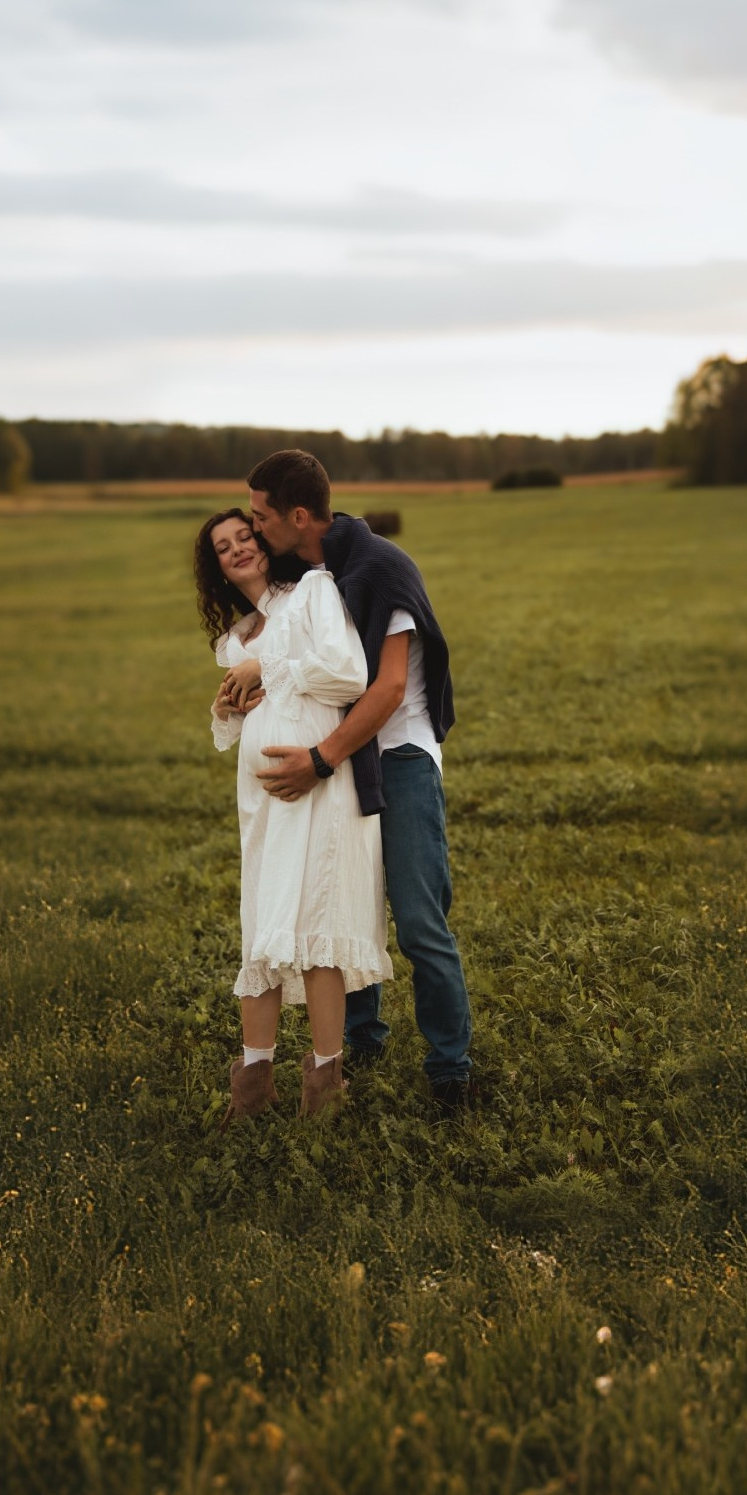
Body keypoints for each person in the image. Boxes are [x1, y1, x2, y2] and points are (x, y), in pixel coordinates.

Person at [244, 449, 474, 1107]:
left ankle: (451, 1069)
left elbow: (390, 686)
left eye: (260, 516)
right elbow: (288, 655)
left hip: (397, 756)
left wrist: (319, 758)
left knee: (419, 917)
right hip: (344, 751)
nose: (254, 528)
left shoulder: (380, 567)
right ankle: (363, 1035)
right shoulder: (304, 574)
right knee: (348, 900)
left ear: (296, 515)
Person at [193, 508, 392, 1122]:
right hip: (263, 802)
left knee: (317, 924)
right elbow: (256, 713)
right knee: (264, 925)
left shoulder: (311, 593)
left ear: (263, 541)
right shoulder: (236, 637)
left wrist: (268, 670)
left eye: (244, 536)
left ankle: (324, 1090)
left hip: (319, 785)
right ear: (217, 568)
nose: (237, 550)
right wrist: (232, 704)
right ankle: (252, 1088)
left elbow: (347, 674)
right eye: (223, 547)